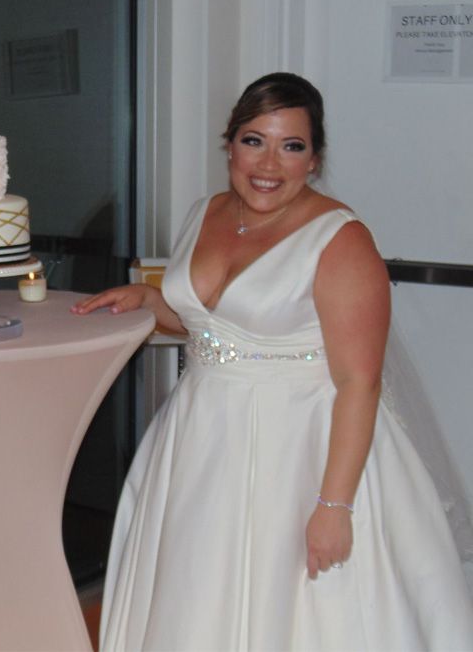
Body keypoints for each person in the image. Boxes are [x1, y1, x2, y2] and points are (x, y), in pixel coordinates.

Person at [73, 72, 473, 650]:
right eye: (254, 140)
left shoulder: (340, 239)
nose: (269, 163)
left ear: (314, 159)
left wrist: (333, 507)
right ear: (229, 144)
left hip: (303, 450)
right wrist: (149, 301)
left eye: (292, 146)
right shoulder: (204, 212)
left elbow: (359, 382)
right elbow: (214, 327)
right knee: (194, 592)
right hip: (199, 442)